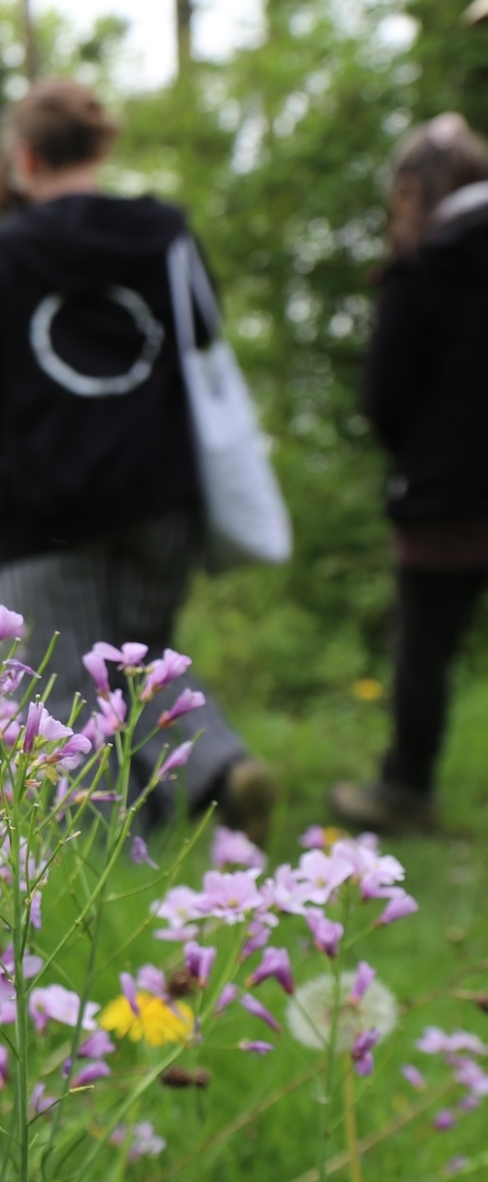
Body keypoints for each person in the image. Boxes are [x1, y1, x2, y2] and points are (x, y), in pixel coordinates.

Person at [0, 80, 275, 841]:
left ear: (24, 158)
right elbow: (202, 341)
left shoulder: (5, 254)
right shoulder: (167, 236)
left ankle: (105, 861)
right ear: (101, 146)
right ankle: (219, 766)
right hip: (162, 495)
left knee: (60, 688)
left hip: (42, 506)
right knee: (142, 658)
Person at [331, 114, 488, 833]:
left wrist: (424, 452)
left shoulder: (425, 268)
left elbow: (385, 398)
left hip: (446, 494)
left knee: (423, 650)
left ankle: (406, 792)